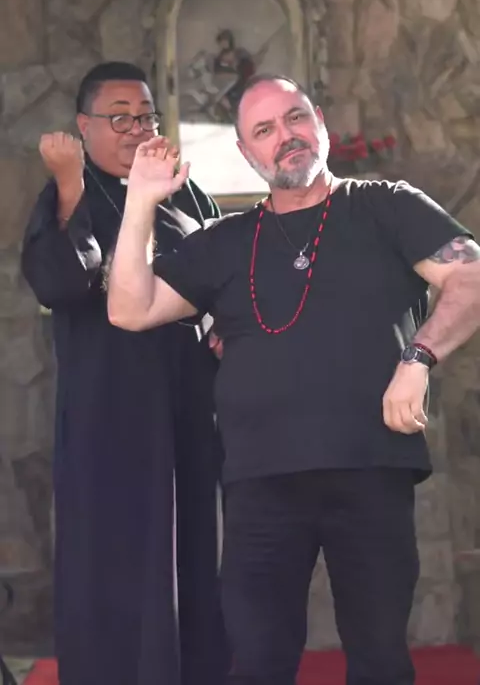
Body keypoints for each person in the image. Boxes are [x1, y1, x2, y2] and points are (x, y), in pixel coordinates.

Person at [106, 73, 480, 685]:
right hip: (262, 485)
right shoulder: (226, 241)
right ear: (246, 152)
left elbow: (470, 277)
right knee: (259, 664)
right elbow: (130, 307)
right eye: (265, 129)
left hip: (370, 469)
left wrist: (418, 358)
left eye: (296, 118)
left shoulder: (386, 206)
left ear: (320, 124)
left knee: (380, 661)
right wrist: (141, 201)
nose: (286, 136)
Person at [21, 62, 227, 685]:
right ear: (83, 127)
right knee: (112, 558)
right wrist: (68, 184)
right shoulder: (70, 195)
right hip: (107, 412)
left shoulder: (184, 192)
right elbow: (60, 282)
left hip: (186, 405)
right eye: (119, 118)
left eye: (145, 116)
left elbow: (220, 277)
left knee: (193, 552)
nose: (137, 129)